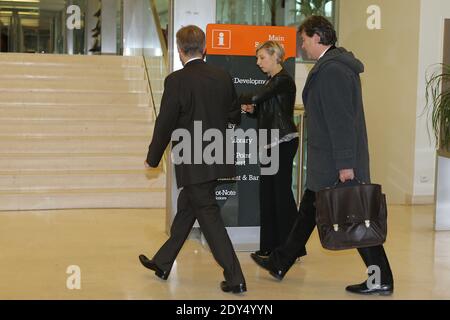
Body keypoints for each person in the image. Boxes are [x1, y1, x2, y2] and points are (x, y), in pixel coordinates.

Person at [251, 16, 394, 295]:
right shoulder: (332, 66)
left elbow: (340, 120)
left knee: (357, 219)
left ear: (317, 37)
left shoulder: (332, 71)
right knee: (308, 211)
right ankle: (280, 262)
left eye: (303, 40)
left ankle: (381, 278)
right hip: (327, 161)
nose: (302, 46)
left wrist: (345, 165)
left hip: (335, 162)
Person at [138, 25, 246, 294]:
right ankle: (162, 262)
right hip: (217, 155)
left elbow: (165, 123)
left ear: (179, 50)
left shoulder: (176, 81)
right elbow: (235, 116)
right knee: (188, 207)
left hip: (194, 159)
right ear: (205, 47)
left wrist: (153, 157)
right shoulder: (223, 76)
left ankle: (236, 277)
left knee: (208, 217)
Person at [240, 41, 306, 259]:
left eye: (262, 57)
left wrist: (241, 99)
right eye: (258, 58)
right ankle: (269, 246)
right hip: (270, 143)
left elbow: (257, 97)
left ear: (276, 56)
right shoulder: (272, 82)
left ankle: (291, 249)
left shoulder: (283, 80)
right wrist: (251, 110)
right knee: (268, 195)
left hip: (283, 142)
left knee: (281, 195)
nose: (258, 62)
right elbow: (262, 110)